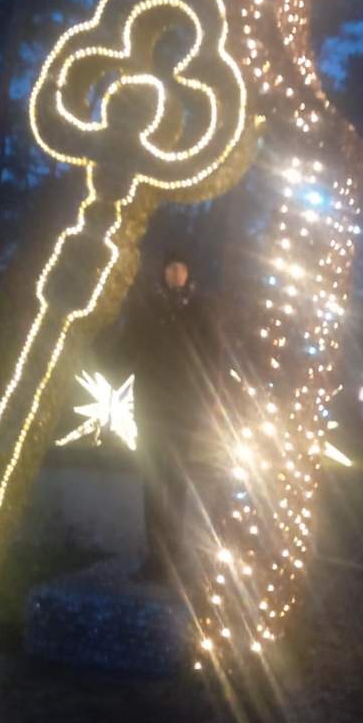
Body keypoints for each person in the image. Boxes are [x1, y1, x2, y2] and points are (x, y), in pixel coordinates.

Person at [120, 249, 221, 582]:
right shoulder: (149, 307)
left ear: (189, 273)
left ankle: (172, 557)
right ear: (163, 272)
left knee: (175, 482)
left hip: (182, 409)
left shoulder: (199, 310)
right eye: (171, 267)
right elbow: (129, 347)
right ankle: (155, 557)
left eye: (181, 267)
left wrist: (207, 397)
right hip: (151, 406)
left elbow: (211, 356)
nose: (176, 273)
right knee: (152, 482)